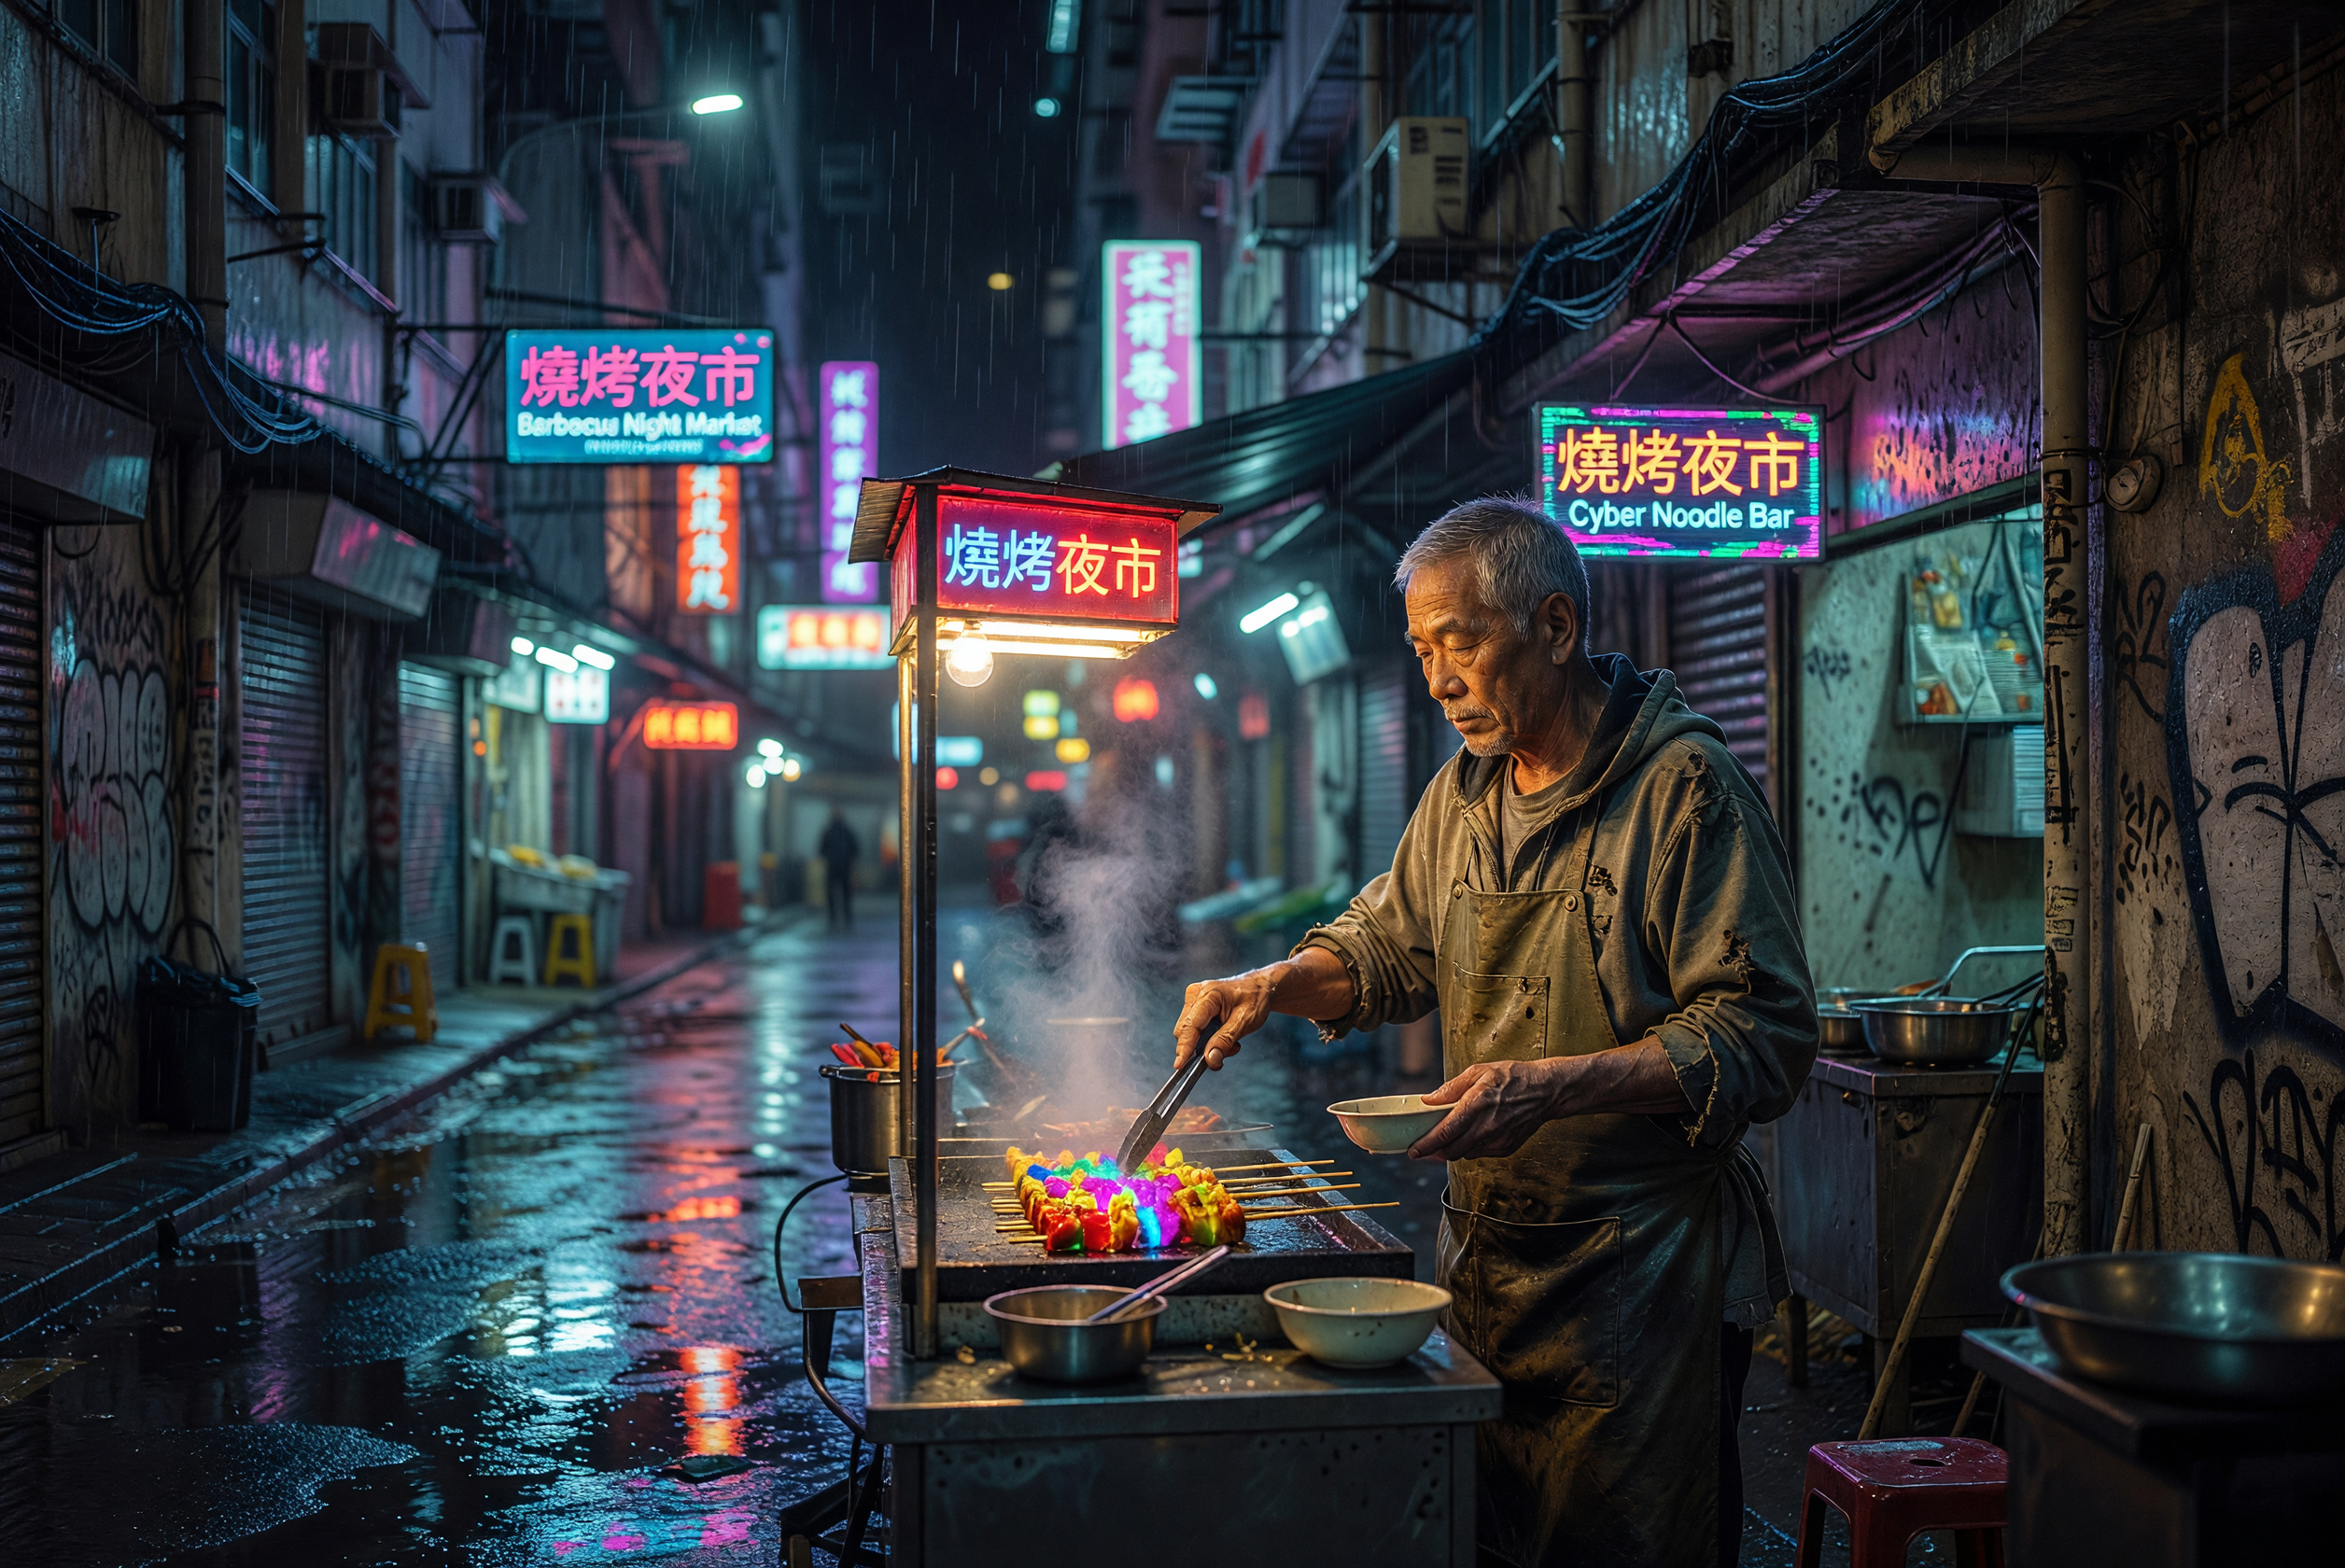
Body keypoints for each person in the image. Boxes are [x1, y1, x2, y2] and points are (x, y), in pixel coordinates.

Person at [1173, 497, 1817, 1568]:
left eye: (1459, 644)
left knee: (1622, 1547)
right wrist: (1271, 983)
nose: (1435, 680)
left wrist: (1553, 1086)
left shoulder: (1682, 789)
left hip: (1641, 1275)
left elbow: (1763, 1033)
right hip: (1485, 1260)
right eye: (1422, 650)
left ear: (1554, 630)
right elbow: (1385, 949)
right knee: (1492, 1539)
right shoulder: (1460, 799)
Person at [819, 808, 859, 930]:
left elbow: (821, 849)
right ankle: (846, 919)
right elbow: (855, 849)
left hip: (833, 867)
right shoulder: (846, 831)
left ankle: (833, 919)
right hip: (844, 868)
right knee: (845, 895)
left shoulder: (829, 831)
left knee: (832, 895)